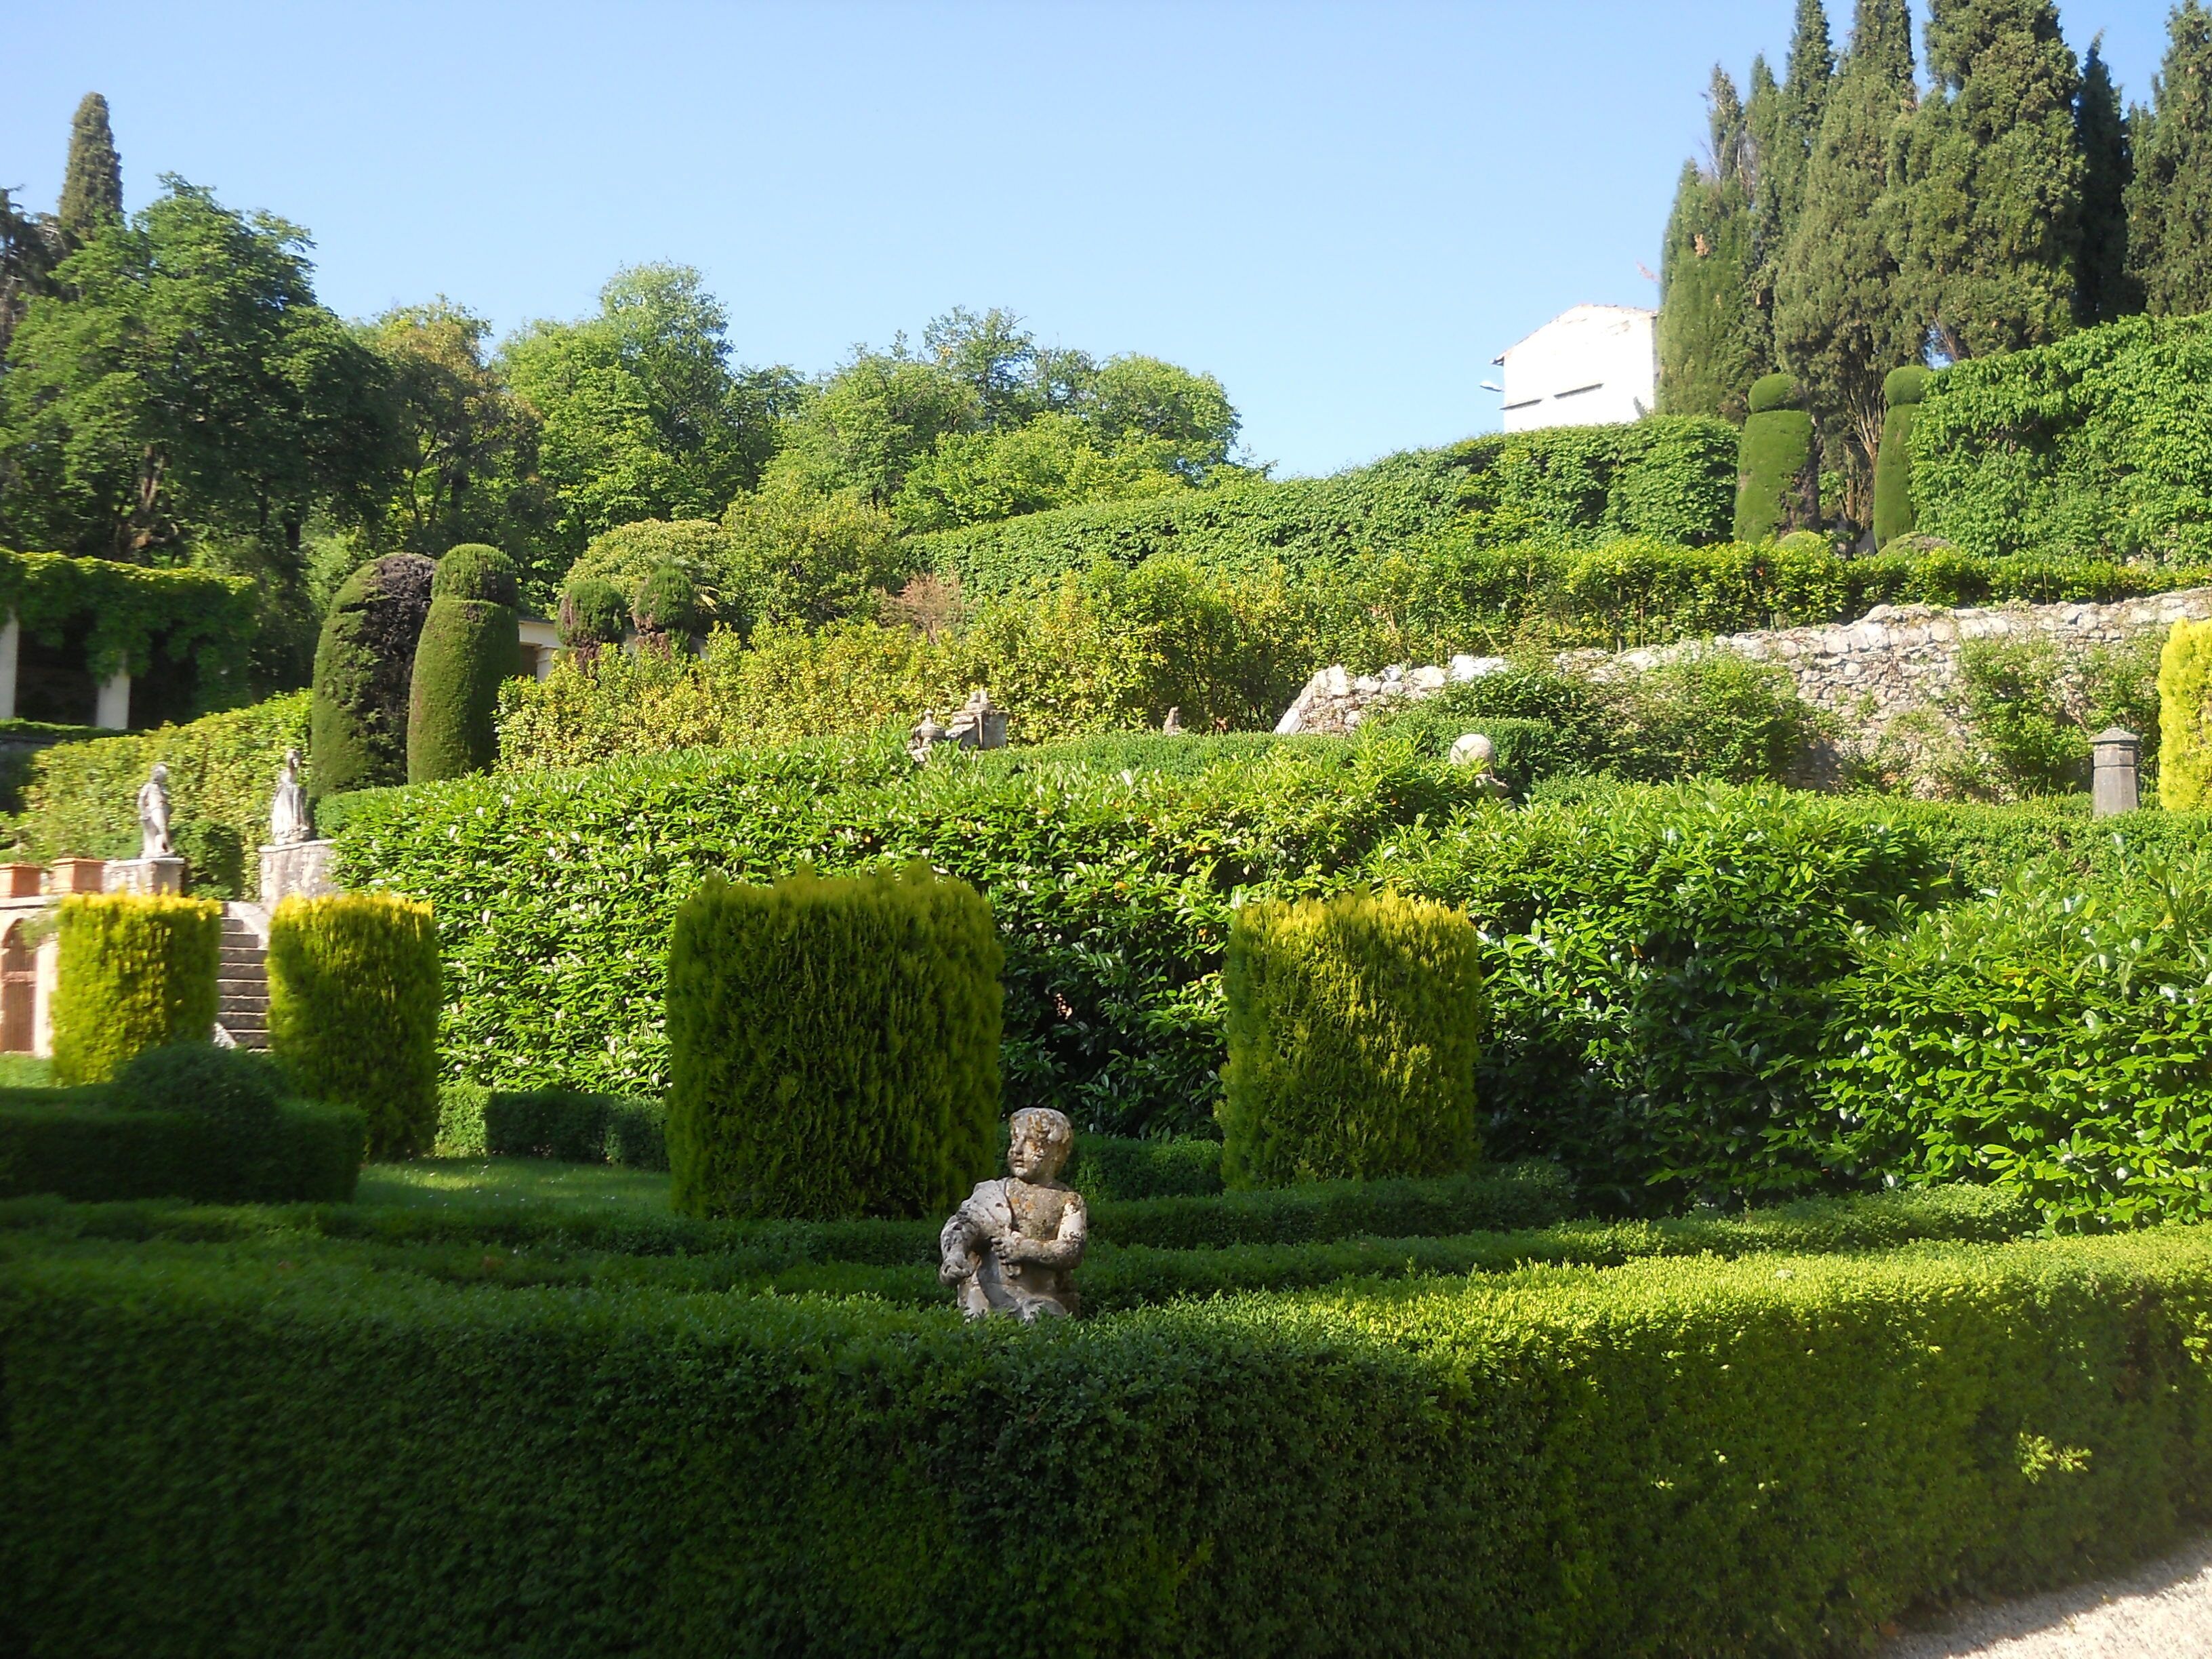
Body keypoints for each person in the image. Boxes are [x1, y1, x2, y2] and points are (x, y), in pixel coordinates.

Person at [938, 1107, 1088, 1321]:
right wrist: (954, 1255)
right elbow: (964, 1224)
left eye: (1030, 1142)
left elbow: (1072, 1250)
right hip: (985, 1298)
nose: (1017, 1149)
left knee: (1043, 1320)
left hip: (1039, 1299)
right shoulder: (993, 1193)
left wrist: (1027, 1248)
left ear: (1056, 1152)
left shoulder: (1068, 1200)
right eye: (1015, 1140)